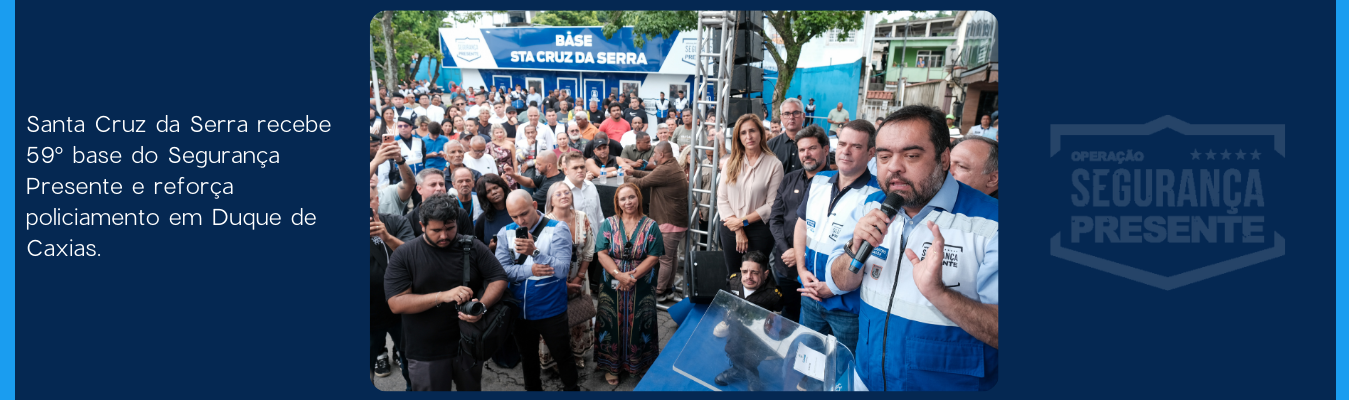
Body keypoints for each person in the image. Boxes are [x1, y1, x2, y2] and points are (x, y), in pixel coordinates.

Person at [828, 105, 999, 391]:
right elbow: (838, 281)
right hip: (867, 380)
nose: (894, 166)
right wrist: (853, 248)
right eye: (884, 156)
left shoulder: (992, 223)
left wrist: (939, 294)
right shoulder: (870, 204)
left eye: (911, 155)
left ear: (944, 158)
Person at [384, 194, 509, 391]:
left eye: (450, 228)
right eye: (436, 230)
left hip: (469, 345)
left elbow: (498, 278)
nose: (444, 236)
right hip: (426, 351)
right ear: (422, 225)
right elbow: (396, 303)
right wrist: (442, 296)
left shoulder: (472, 246)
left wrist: (482, 307)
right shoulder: (405, 254)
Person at [792, 120, 878, 356]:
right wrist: (801, 269)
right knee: (807, 362)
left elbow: (869, 252)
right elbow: (802, 227)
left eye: (856, 146)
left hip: (847, 306)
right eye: (842, 144)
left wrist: (832, 286)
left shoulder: (877, 194)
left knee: (844, 370)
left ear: (871, 152)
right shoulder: (819, 181)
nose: (846, 151)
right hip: (810, 294)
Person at [494, 190, 580, 391]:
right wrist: (529, 269)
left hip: (551, 308)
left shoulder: (558, 229)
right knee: (527, 357)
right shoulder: (505, 232)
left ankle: (572, 388)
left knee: (562, 354)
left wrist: (535, 253)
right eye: (514, 216)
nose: (520, 221)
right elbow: (502, 271)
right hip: (521, 309)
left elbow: (560, 271)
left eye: (524, 213)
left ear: (534, 205)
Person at [594, 183, 665, 386]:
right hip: (612, 282)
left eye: (631, 197)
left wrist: (630, 277)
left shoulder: (651, 225)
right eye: (623, 199)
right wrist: (619, 275)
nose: (628, 202)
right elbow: (601, 253)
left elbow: (654, 256)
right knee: (611, 323)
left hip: (641, 283)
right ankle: (611, 366)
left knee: (641, 323)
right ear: (617, 202)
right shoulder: (608, 223)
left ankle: (641, 365)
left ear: (638, 198)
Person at [768, 124, 828, 323]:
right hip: (784, 265)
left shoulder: (835, 184)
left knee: (812, 324)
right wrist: (787, 250)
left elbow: (828, 230)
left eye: (812, 148)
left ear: (825, 149)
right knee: (788, 316)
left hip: (814, 273)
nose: (806, 154)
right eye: (802, 150)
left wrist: (800, 252)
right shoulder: (789, 179)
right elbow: (775, 218)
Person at [716, 114, 784, 281]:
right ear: (738, 137)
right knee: (733, 275)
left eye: (752, 131)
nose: (749, 136)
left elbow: (771, 205)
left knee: (754, 278)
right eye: (743, 133)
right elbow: (722, 199)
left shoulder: (774, 164)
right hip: (730, 226)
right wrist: (738, 227)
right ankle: (733, 307)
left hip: (759, 230)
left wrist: (743, 221)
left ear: (761, 133)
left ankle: (753, 307)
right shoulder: (731, 161)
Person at [539, 183, 596, 374]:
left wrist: (579, 277)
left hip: (580, 273)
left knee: (578, 314)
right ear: (551, 200)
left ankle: (577, 353)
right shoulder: (545, 221)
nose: (564, 195)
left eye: (567, 192)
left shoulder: (582, 216)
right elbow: (542, 253)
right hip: (553, 277)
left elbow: (589, 248)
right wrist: (563, 283)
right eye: (558, 193)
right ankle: (555, 358)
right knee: (556, 319)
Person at [624, 142, 688, 302]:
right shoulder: (671, 166)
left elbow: (641, 184)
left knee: (664, 259)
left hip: (669, 221)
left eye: (654, 154)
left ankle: (659, 292)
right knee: (671, 257)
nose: (653, 157)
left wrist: (625, 177)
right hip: (676, 221)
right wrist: (634, 172)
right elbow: (650, 176)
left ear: (661, 154)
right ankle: (667, 289)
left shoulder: (665, 169)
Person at [712, 251, 785, 390]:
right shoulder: (734, 281)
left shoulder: (773, 294)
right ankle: (737, 371)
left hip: (757, 335)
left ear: (765, 274)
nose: (748, 277)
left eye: (755, 273)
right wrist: (726, 319)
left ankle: (753, 379)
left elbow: (777, 314)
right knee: (732, 350)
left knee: (751, 359)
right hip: (736, 327)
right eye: (744, 271)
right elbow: (729, 301)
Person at [370, 186, 415, 387]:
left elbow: (415, 256)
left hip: (402, 311)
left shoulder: (397, 221)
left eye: (370, 200)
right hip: (369, 314)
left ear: (377, 200)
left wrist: (387, 237)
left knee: (410, 362)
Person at [404, 168, 472, 238]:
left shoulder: (460, 214)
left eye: (441, 184)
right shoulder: (408, 220)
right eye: (433, 185)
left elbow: (470, 244)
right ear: (419, 189)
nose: (439, 188)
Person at [372, 140, 415, 215]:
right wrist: (375, 162)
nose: (372, 175)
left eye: (374, 172)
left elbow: (410, 183)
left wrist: (400, 160)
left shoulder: (390, 192)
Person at [767, 98, 807, 174]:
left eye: (796, 113)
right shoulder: (771, 145)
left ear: (803, 116)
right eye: (786, 114)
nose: (791, 117)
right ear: (781, 118)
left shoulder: (815, 143)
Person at [473, 174, 513, 250]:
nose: (494, 192)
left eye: (496, 188)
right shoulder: (482, 219)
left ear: (503, 188)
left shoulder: (518, 210)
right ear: (484, 196)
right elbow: (477, 248)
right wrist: (490, 248)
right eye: (488, 191)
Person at [487, 123, 518, 189]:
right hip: (495, 173)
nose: (499, 134)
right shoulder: (489, 145)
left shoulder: (510, 144)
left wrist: (516, 174)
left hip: (508, 172)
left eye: (501, 132)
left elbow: (514, 160)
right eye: (497, 133)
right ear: (493, 134)